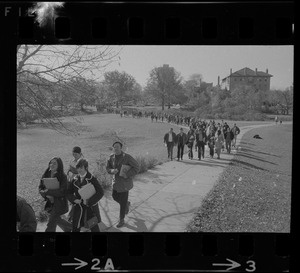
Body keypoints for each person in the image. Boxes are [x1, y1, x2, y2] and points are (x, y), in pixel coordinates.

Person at [106, 142, 140, 228]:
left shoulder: (127, 157)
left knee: (122, 203)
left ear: (121, 148)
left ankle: (121, 219)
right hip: (116, 183)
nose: (115, 149)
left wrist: (127, 174)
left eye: (117, 147)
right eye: (114, 147)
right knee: (114, 197)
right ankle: (126, 204)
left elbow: (137, 167)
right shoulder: (111, 157)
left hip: (125, 183)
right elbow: (108, 168)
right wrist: (112, 171)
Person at [67, 159, 104, 232]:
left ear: (86, 167)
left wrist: (89, 202)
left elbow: (100, 192)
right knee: (75, 226)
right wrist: (74, 199)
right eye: (78, 167)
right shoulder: (74, 179)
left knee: (93, 227)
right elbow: (68, 192)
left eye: (81, 167)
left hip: (90, 208)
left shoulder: (92, 178)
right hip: (78, 207)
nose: (79, 169)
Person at [39, 157, 72, 232]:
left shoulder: (63, 176)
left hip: (59, 203)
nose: (52, 164)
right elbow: (40, 188)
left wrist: (48, 192)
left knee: (51, 224)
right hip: (50, 203)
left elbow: (62, 192)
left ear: (59, 165)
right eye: (51, 162)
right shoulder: (46, 174)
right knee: (56, 219)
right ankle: (70, 228)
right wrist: (45, 195)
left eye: (54, 163)